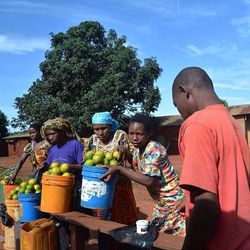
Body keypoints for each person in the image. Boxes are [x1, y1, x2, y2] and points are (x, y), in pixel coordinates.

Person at [172, 66, 250, 249]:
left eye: (176, 105)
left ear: (185, 92)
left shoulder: (198, 124)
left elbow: (206, 206)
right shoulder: (229, 121)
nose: (180, 112)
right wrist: (191, 198)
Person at [100, 113, 186, 236]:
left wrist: (119, 169)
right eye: (131, 133)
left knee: (176, 241)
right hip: (161, 204)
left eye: (140, 134)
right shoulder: (138, 149)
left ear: (149, 133)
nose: (134, 138)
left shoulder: (154, 149)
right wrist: (125, 152)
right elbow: (137, 163)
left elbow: (149, 180)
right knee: (160, 238)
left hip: (174, 203)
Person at [84, 111, 138, 225]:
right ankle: (105, 240)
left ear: (110, 126)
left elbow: (133, 159)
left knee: (122, 216)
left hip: (120, 182)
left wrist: (125, 150)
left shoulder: (120, 135)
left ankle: (123, 240)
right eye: (96, 129)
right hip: (100, 183)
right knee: (102, 218)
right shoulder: (92, 140)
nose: (100, 132)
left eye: (104, 128)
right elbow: (86, 160)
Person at [40, 117, 86, 212]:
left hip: (73, 187)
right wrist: (44, 166)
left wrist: (68, 166)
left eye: (53, 134)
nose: (50, 137)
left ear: (62, 132)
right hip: (55, 189)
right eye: (48, 135)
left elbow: (84, 166)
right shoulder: (53, 149)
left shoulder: (75, 145)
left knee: (72, 213)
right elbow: (49, 166)